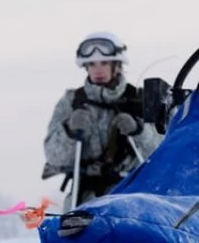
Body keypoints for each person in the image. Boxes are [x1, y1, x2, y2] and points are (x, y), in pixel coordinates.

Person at [42, 32, 162, 208]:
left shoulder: (141, 99)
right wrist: (69, 131)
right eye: (91, 64)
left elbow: (160, 154)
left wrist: (138, 130)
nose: (97, 70)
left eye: (104, 63)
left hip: (133, 197)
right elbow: (53, 157)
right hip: (83, 200)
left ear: (117, 65)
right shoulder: (72, 102)